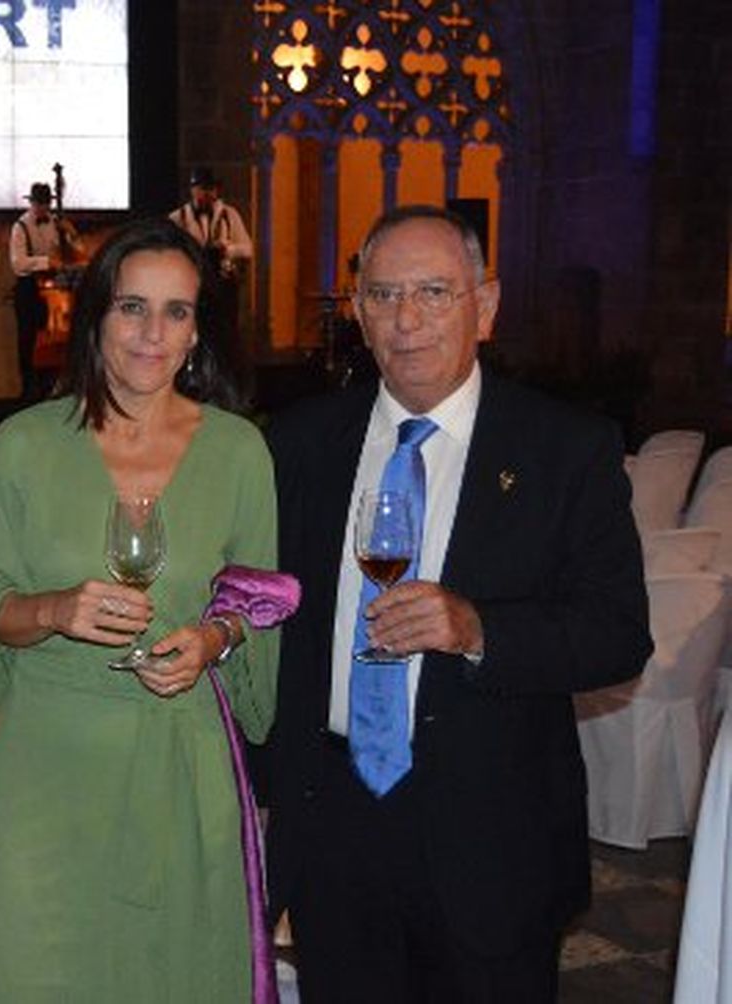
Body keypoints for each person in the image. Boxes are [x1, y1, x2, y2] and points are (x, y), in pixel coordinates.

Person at [265, 205, 652, 1001]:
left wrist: (481, 629)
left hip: (492, 836)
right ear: (359, 312)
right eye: (382, 295)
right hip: (335, 830)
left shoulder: (564, 447)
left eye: (435, 292)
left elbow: (618, 635)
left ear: (488, 304)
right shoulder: (299, 443)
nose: (406, 321)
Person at [0, 217, 279, 1000]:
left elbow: (255, 605)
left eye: (176, 311)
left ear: (198, 332)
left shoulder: (238, 453)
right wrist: (54, 609)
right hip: (47, 772)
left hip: (180, 768)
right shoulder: (23, 446)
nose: (151, 333)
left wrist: (213, 640)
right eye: (132, 307)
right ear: (95, 317)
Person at [168, 166, 253, 386]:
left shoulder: (228, 215)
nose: (208, 195)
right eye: (202, 189)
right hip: (192, 288)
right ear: (193, 191)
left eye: (211, 189)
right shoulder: (177, 219)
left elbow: (248, 249)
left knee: (224, 333)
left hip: (223, 286)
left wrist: (228, 249)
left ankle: (225, 377)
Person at [9, 181, 70, 399]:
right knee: (27, 340)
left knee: (50, 340)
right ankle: (28, 390)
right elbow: (18, 263)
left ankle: (49, 388)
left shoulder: (56, 223)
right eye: (39, 204)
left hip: (52, 291)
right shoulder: (20, 226)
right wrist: (46, 262)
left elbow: (68, 250)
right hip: (28, 289)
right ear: (32, 203)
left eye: (46, 204)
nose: (43, 208)